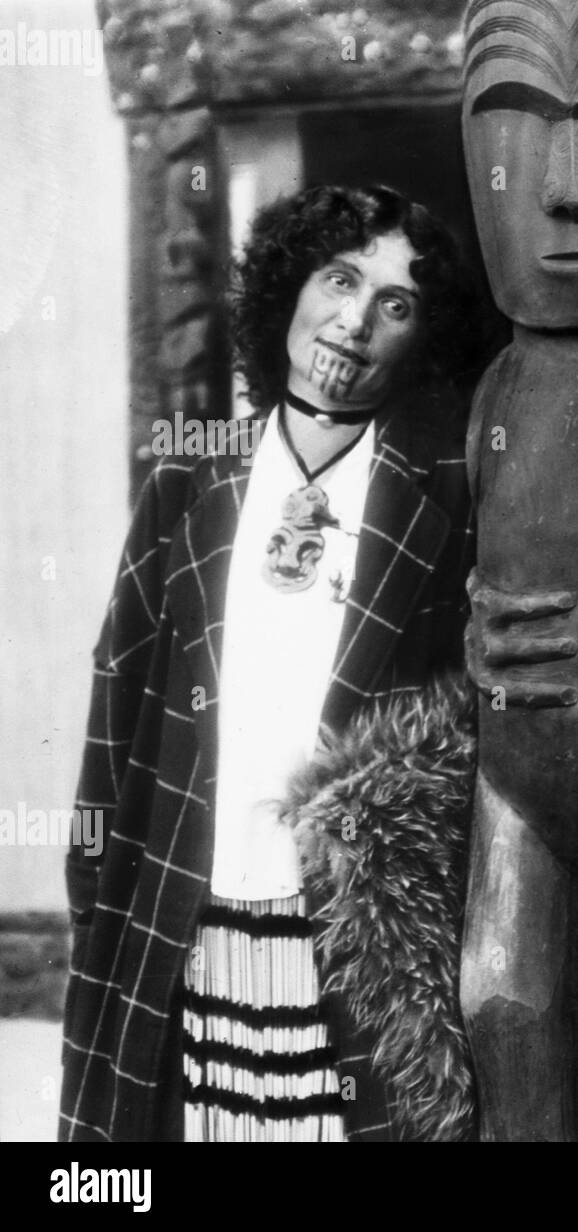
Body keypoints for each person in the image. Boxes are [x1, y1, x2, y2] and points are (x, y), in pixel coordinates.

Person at [60, 184, 483, 1142]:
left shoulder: (447, 499)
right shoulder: (188, 489)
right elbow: (114, 731)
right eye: (340, 280)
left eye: (396, 304)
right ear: (290, 289)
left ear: (422, 339)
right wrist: (99, 917)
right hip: (186, 929)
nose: (354, 321)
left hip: (352, 951)